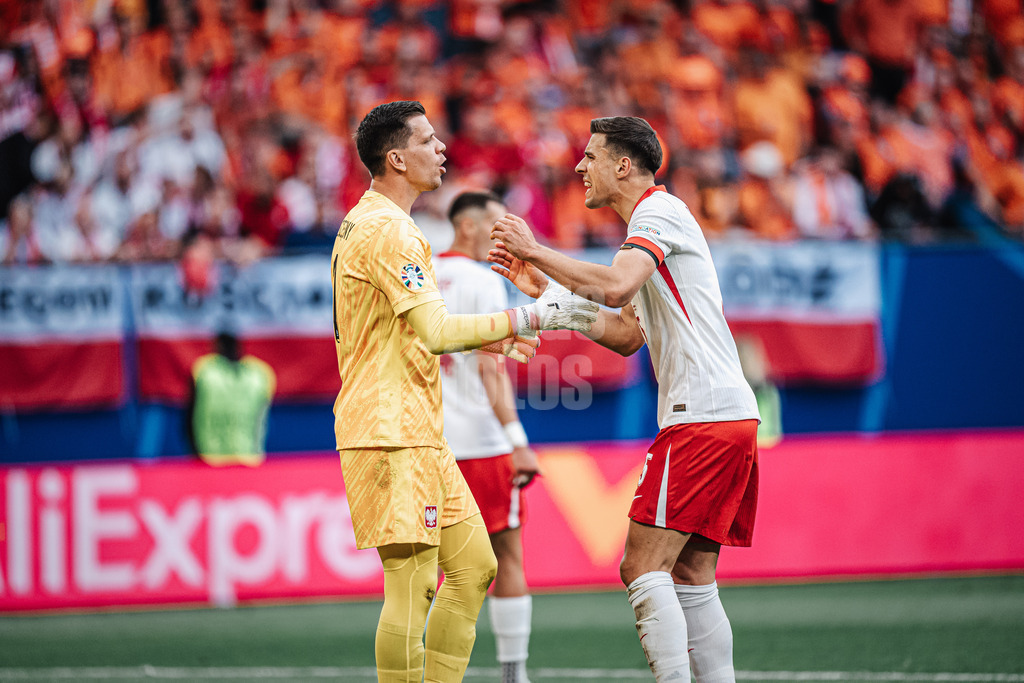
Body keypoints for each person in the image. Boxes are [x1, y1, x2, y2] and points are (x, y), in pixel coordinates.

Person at [330, 100, 598, 683]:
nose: (442, 149)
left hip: (418, 428)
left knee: (476, 567)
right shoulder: (388, 231)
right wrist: (521, 321)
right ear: (397, 157)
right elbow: (435, 330)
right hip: (387, 428)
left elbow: (422, 332)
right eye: (428, 141)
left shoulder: (378, 222)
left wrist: (493, 340)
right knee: (413, 581)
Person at [489, 116, 760, 683]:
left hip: (701, 416)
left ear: (622, 165)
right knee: (690, 573)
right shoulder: (652, 226)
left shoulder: (656, 213)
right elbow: (626, 335)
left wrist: (536, 252)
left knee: (641, 565)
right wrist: (551, 293)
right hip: (726, 415)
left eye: (590, 157)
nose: (579, 168)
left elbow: (614, 286)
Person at [434, 190, 541, 683]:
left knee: (426, 566)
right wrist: (517, 439)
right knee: (506, 556)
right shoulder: (484, 280)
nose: (508, 236)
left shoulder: (419, 275)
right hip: (482, 444)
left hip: (430, 445)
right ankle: (514, 673)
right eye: (499, 225)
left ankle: (424, 668)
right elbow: (491, 370)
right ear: (471, 226)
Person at [188, 330, 276, 467]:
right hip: (232, 458)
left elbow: (189, 417)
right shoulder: (260, 375)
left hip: (222, 459)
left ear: (218, 346)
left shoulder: (204, 371)